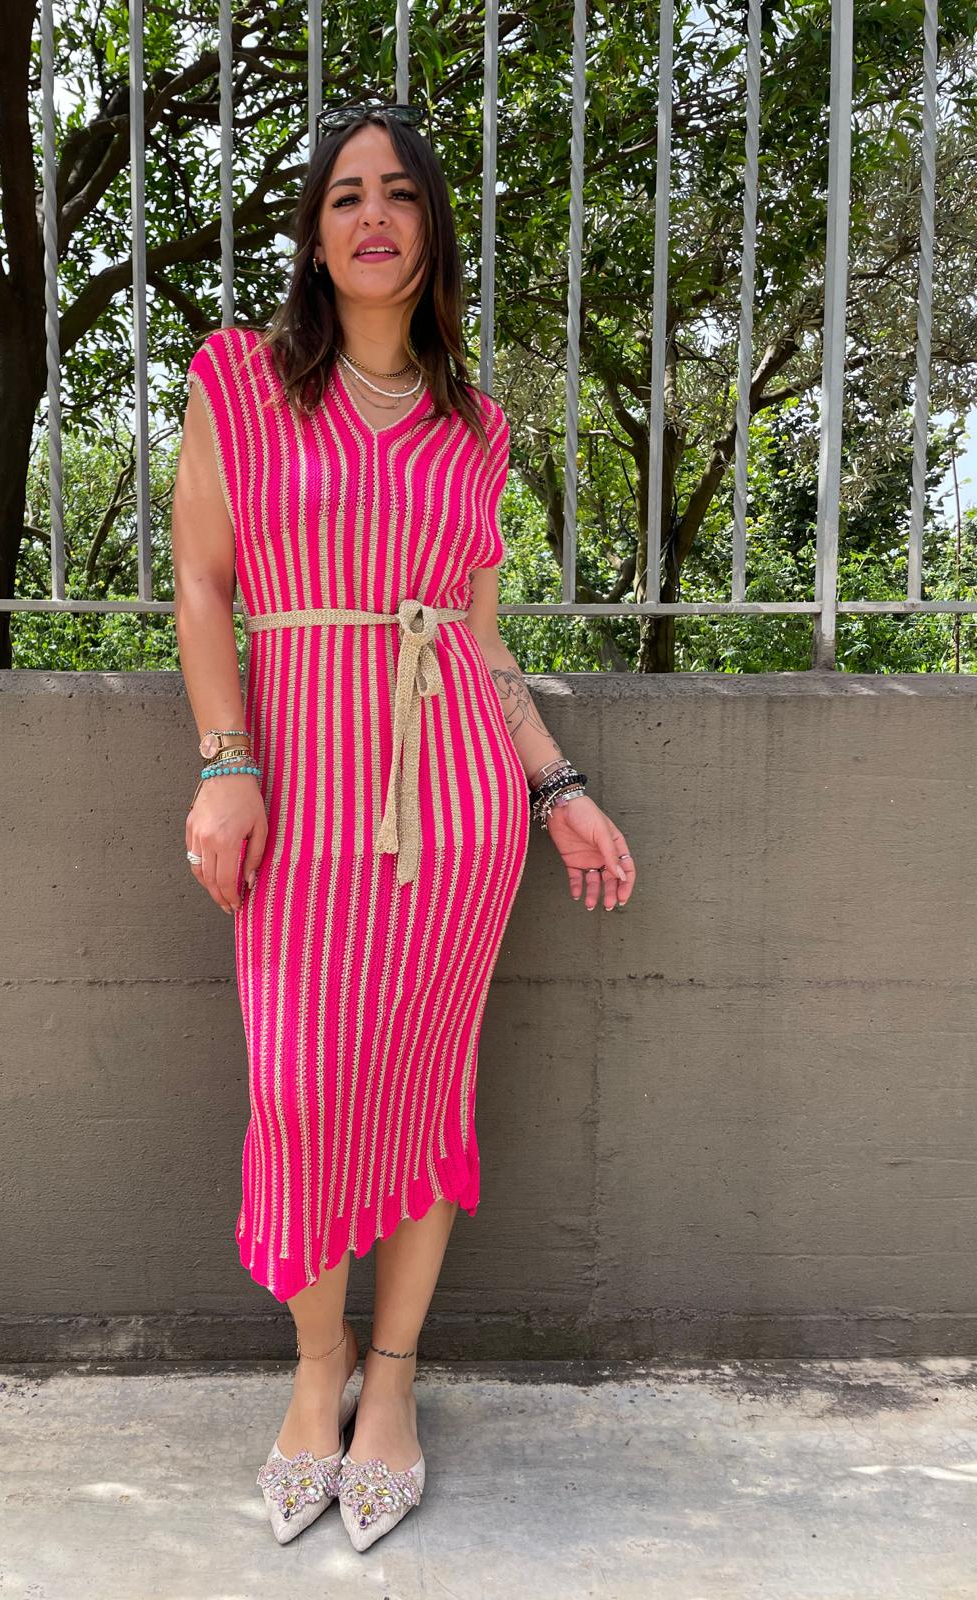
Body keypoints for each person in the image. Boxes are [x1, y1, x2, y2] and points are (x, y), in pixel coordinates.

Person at [170, 102, 637, 1551]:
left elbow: (483, 645)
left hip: (455, 815)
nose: (372, 215)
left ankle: (392, 1381)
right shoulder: (239, 382)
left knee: (428, 1091)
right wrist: (226, 762)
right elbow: (202, 586)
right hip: (301, 800)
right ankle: (314, 1373)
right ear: (316, 237)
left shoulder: (474, 428)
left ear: (430, 228)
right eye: (343, 196)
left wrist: (555, 791)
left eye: (399, 194)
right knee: (300, 1089)